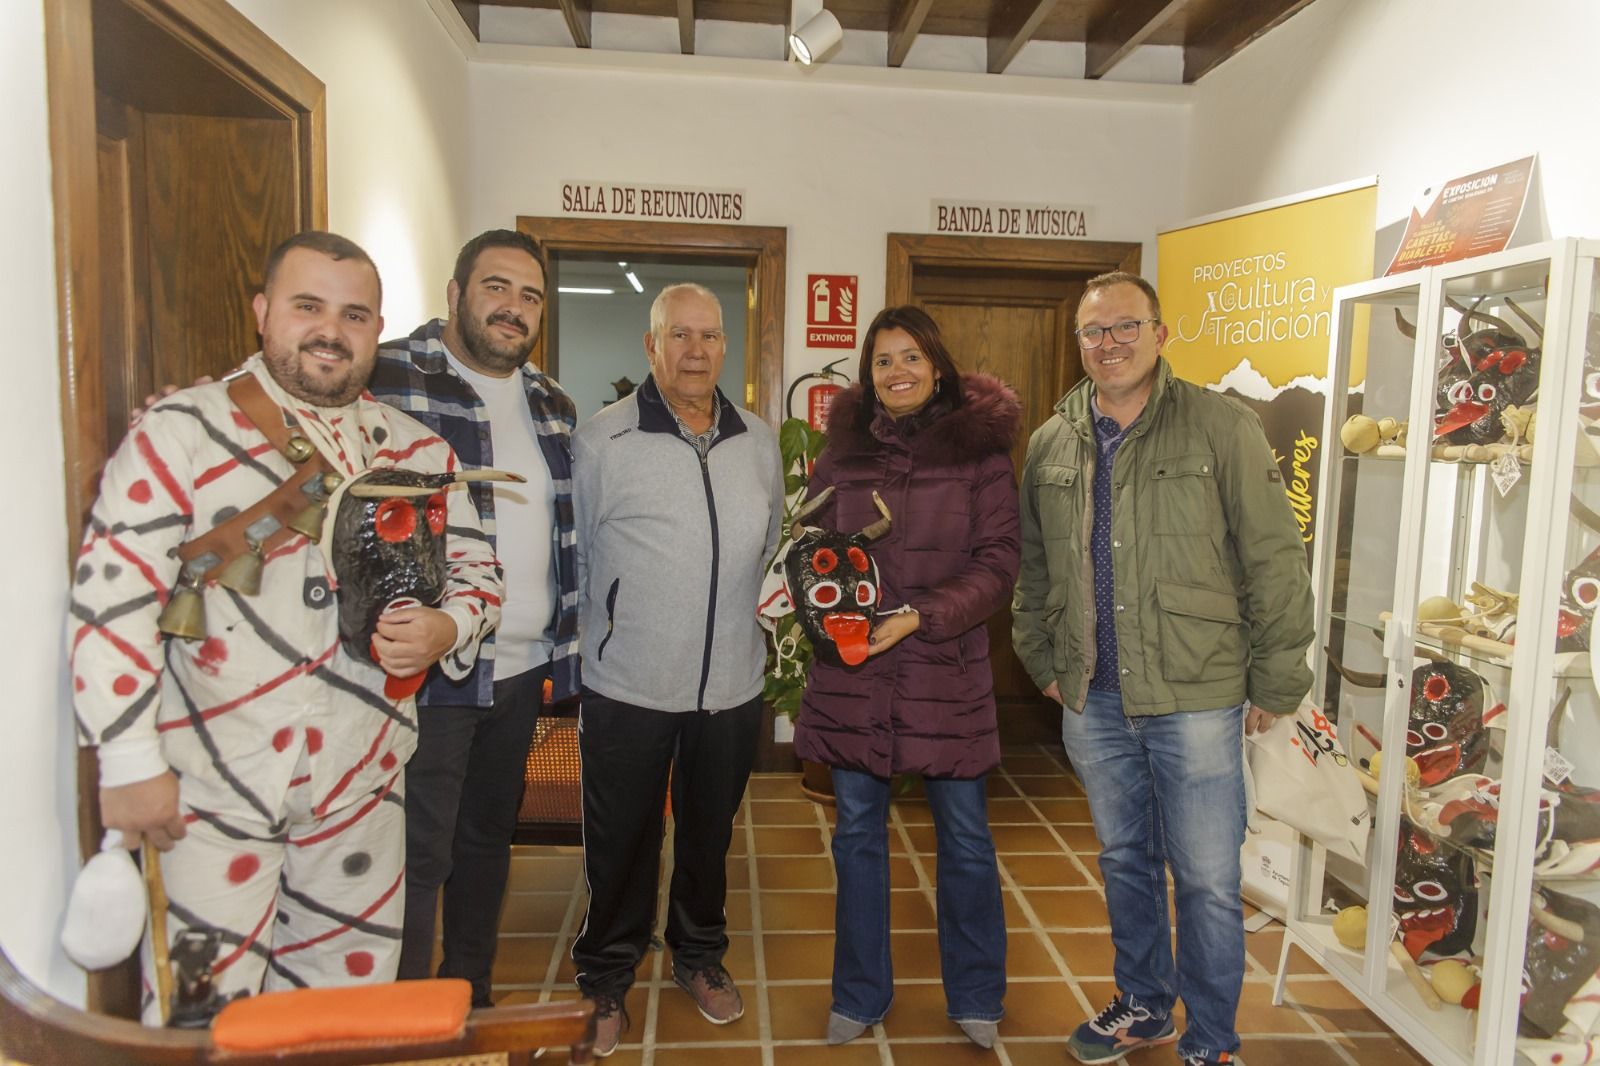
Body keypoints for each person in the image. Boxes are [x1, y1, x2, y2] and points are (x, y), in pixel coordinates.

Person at [69, 231, 503, 1019]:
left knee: (344, 1015)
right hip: (211, 791)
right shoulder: (179, 430)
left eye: (355, 314)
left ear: (379, 330)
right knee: (206, 1016)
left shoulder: (418, 449)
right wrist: (127, 758)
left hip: (362, 789)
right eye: (309, 307)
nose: (331, 330)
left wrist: (449, 627)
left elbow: (477, 570)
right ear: (264, 312)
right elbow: (114, 596)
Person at [1011, 272, 1314, 1066]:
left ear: (1160, 333)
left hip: (1197, 695)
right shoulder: (1053, 440)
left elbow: (1275, 558)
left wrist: (1278, 678)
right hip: (1094, 698)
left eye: (1124, 328)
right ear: (1076, 343)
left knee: (1209, 879)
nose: (1107, 344)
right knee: (1124, 862)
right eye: (1092, 332)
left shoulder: (1222, 428)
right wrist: (1040, 657)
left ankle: (1212, 1040)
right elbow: (1034, 567)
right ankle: (1145, 1005)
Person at [793, 305, 1020, 1049]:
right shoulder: (842, 453)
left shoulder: (981, 457)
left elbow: (998, 565)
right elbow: (813, 543)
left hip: (943, 671)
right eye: (883, 360)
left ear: (938, 367)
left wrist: (920, 616)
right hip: (855, 673)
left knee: (964, 839)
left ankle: (977, 995)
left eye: (911, 358)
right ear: (869, 373)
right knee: (857, 835)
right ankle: (859, 995)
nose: (897, 372)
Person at [570, 282, 783, 1056]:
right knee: (620, 838)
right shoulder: (601, 441)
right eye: (678, 336)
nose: (696, 351)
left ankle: (698, 954)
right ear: (651, 345)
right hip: (628, 681)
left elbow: (771, 548)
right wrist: (611, 636)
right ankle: (605, 973)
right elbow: (584, 559)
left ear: (726, 346)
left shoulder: (757, 440)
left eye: (709, 336)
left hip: (730, 683)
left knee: (706, 834)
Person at [376, 230, 580, 1007]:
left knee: (487, 839)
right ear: (457, 290)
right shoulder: (390, 374)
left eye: (530, 296)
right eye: (497, 288)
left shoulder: (550, 400)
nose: (514, 308)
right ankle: (403, 1020)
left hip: (522, 665)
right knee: (418, 852)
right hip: (431, 664)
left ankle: (470, 997)